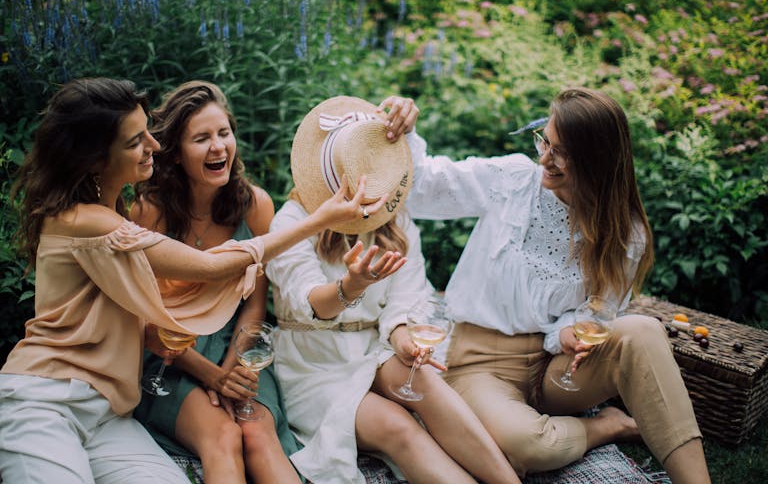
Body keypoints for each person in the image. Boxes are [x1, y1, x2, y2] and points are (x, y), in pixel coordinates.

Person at [0, 77, 374, 483]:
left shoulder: (111, 213)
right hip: (46, 399)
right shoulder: (90, 222)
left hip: (109, 412)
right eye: (135, 141)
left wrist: (230, 365)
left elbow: (186, 295)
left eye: (149, 132)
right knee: (221, 437)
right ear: (94, 160)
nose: (154, 146)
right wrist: (319, 219)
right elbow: (209, 267)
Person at [377, 88, 711, 484]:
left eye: (562, 152)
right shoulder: (513, 180)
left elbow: (599, 312)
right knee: (526, 446)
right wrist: (407, 131)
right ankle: (606, 427)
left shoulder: (626, 232)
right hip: (479, 365)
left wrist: (569, 330)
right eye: (544, 141)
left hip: (557, 371)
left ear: (598, 161)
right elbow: (421, 189)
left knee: (643, 331)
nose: (545, 159)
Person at [265, 96, 522, 484]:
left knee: (421, 379)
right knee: (397, 425)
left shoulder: (393, 218)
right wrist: (351, 285)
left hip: (372, 349)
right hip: (313, 364)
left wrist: (403, 337)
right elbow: (311, 303)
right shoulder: (292, 221)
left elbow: (406, 297)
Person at [131, 80, 302, 484]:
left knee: (258, 434)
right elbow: (144, 317)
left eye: (224, 133)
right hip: (171, 354)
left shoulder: (255, 204)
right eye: (201, 138)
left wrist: (234, 368)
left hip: (236, 348)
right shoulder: (148, 212)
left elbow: (255, 305)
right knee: (224, 436)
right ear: (174, 153)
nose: (218, 147)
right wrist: (210, 375)